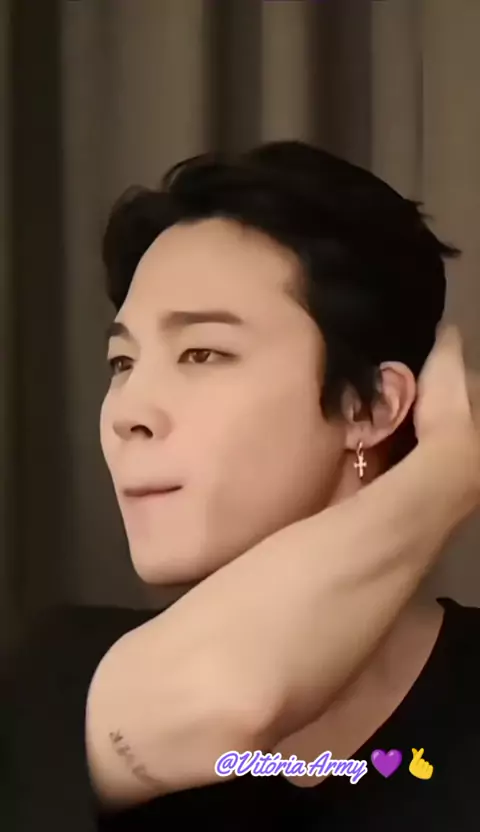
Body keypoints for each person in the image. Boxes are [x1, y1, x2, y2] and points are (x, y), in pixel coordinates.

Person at [10, 141, 480, 832]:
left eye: (202, 352)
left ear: (370, 407)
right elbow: (230, 700)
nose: (128, 412)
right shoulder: (62, 677)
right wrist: (450, 469)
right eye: (122, 362)